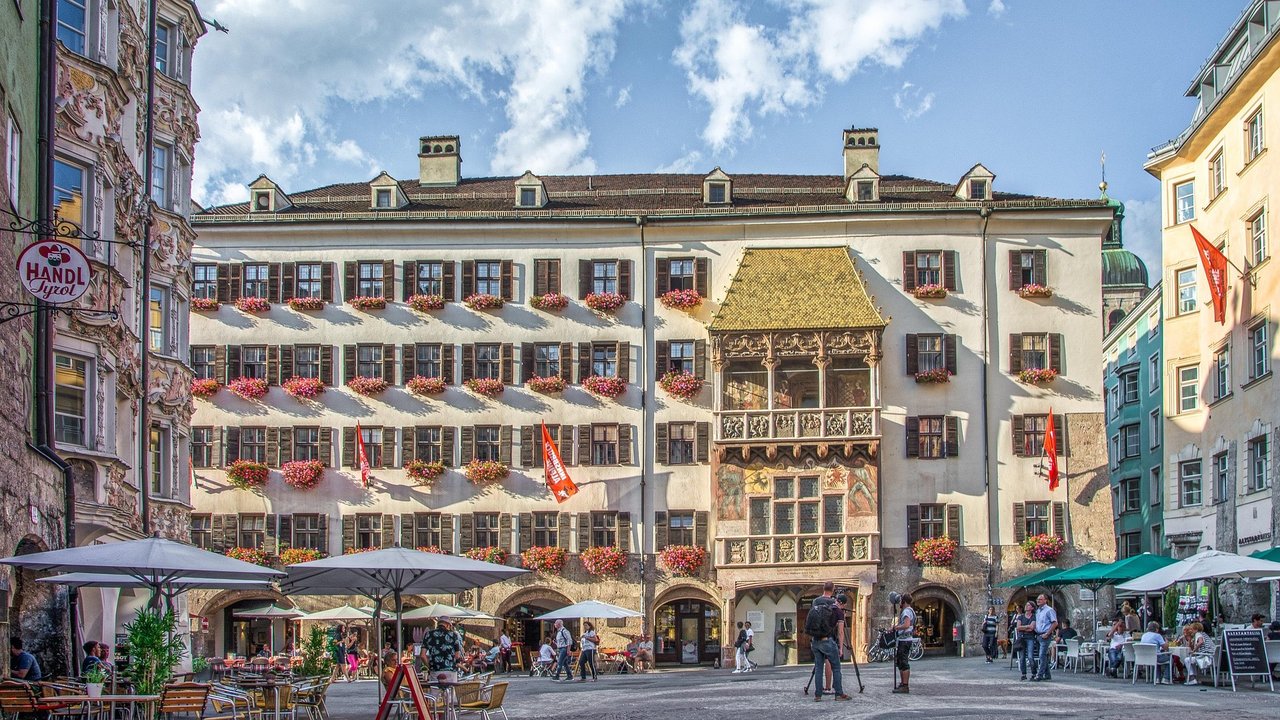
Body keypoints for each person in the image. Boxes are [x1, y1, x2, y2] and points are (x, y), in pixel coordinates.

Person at [808, 581, 850, 701]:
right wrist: (841, 648)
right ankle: (838, 693)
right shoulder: (835, 607)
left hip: (815, 640)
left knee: (818, 667)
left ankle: (818, 695)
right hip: (828, 639)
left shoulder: (816, 602)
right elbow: (840, 631)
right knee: (836, 667)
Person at [823, 591, 850, 694]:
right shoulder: (838, 612)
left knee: (824, 662)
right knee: (832, 663)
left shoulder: (827, 608)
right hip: (831, 639)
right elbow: (841, 632)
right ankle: (831, 688)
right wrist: (841, 648)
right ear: (843, 603)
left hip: (821, 638)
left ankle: (825, 687)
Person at [1030, 594, 1058, 682]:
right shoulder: (1038, 611)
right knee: (1043, 656)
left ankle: (1040, 675)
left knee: (1042, 655)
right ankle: (1047, 674)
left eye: (1040, 599)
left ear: (1045, 600)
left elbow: (1055, 623)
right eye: (1037, 599)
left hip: (1045, 635)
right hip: (1038, 635)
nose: (1038, 601)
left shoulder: (1049, 610)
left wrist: (1047, 633)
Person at [892, 593, 915, 694]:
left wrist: (896, 628)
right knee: (900, 661)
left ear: (904, 601)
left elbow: (906, 624)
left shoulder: (906, 611)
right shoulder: (909, 611)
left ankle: (905, 685)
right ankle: (902, 683)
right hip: (904, 639)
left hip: (905, 640)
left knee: (903, 662)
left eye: (901, 600)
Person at [1014, 602, 1036, 681]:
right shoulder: (1021, 617)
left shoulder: (1034, 617)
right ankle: (1024, 674)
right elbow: (1018, 627)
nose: (1026, 606)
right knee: (1022, 657)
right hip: (1022, 638)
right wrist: (1027, 627)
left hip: (1030, 638)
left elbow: (1032, 628)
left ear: (1032, 608)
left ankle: (1034, 673)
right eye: (1026, 605)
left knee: (1030, 656)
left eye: (1029, 605)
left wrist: (1024, 627)